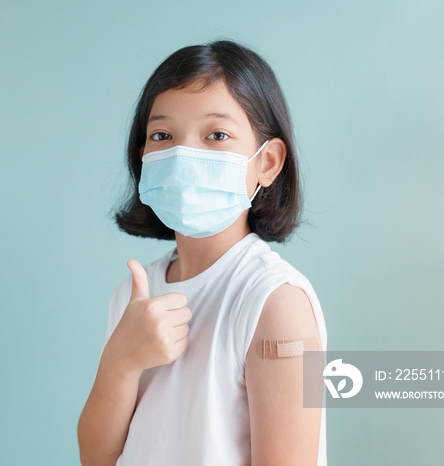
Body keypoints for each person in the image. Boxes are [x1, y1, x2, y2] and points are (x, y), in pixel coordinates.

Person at [78, 39, 329, 466]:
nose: (182, 154)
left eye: (216, 135)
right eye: (162, 135)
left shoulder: (277, 303)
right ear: (143, 157)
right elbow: (97, 457)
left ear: (267, 162)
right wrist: (120, 361)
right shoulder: (132, 296)